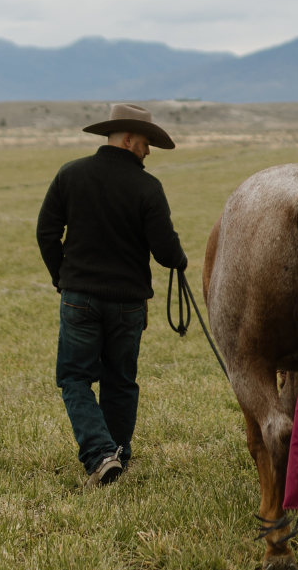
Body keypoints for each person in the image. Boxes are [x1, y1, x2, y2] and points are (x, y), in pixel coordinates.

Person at [36, 103, 187, 488]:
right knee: (121, 380)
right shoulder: (147, 187)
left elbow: (46, 233)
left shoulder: (70, 174)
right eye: (146, 143)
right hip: (128, 303)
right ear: (128, 139)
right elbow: (166, 253)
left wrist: (62, 278)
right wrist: (181, 258)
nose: (148, 151)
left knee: (74, 379)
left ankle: (102, 456)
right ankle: (112, 453)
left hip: (79, 298)